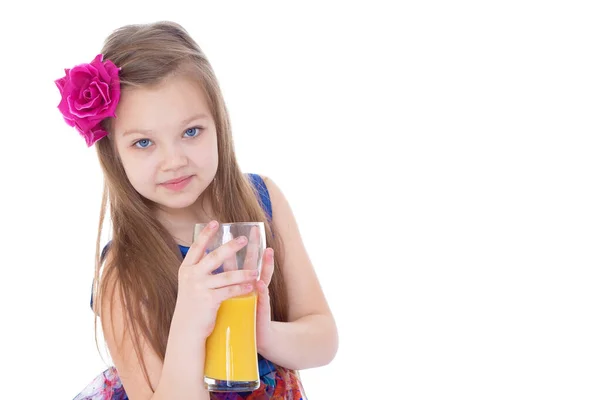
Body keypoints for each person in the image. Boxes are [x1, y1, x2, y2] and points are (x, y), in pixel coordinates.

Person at [54, 21, 338, 400]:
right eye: (143, 143)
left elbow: (323, 339)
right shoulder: (122, 273)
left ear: (218, 124)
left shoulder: (263, 201)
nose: (173, 161)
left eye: (191, 132)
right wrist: (188, 324)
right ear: (115, 154)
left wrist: (265, 335)